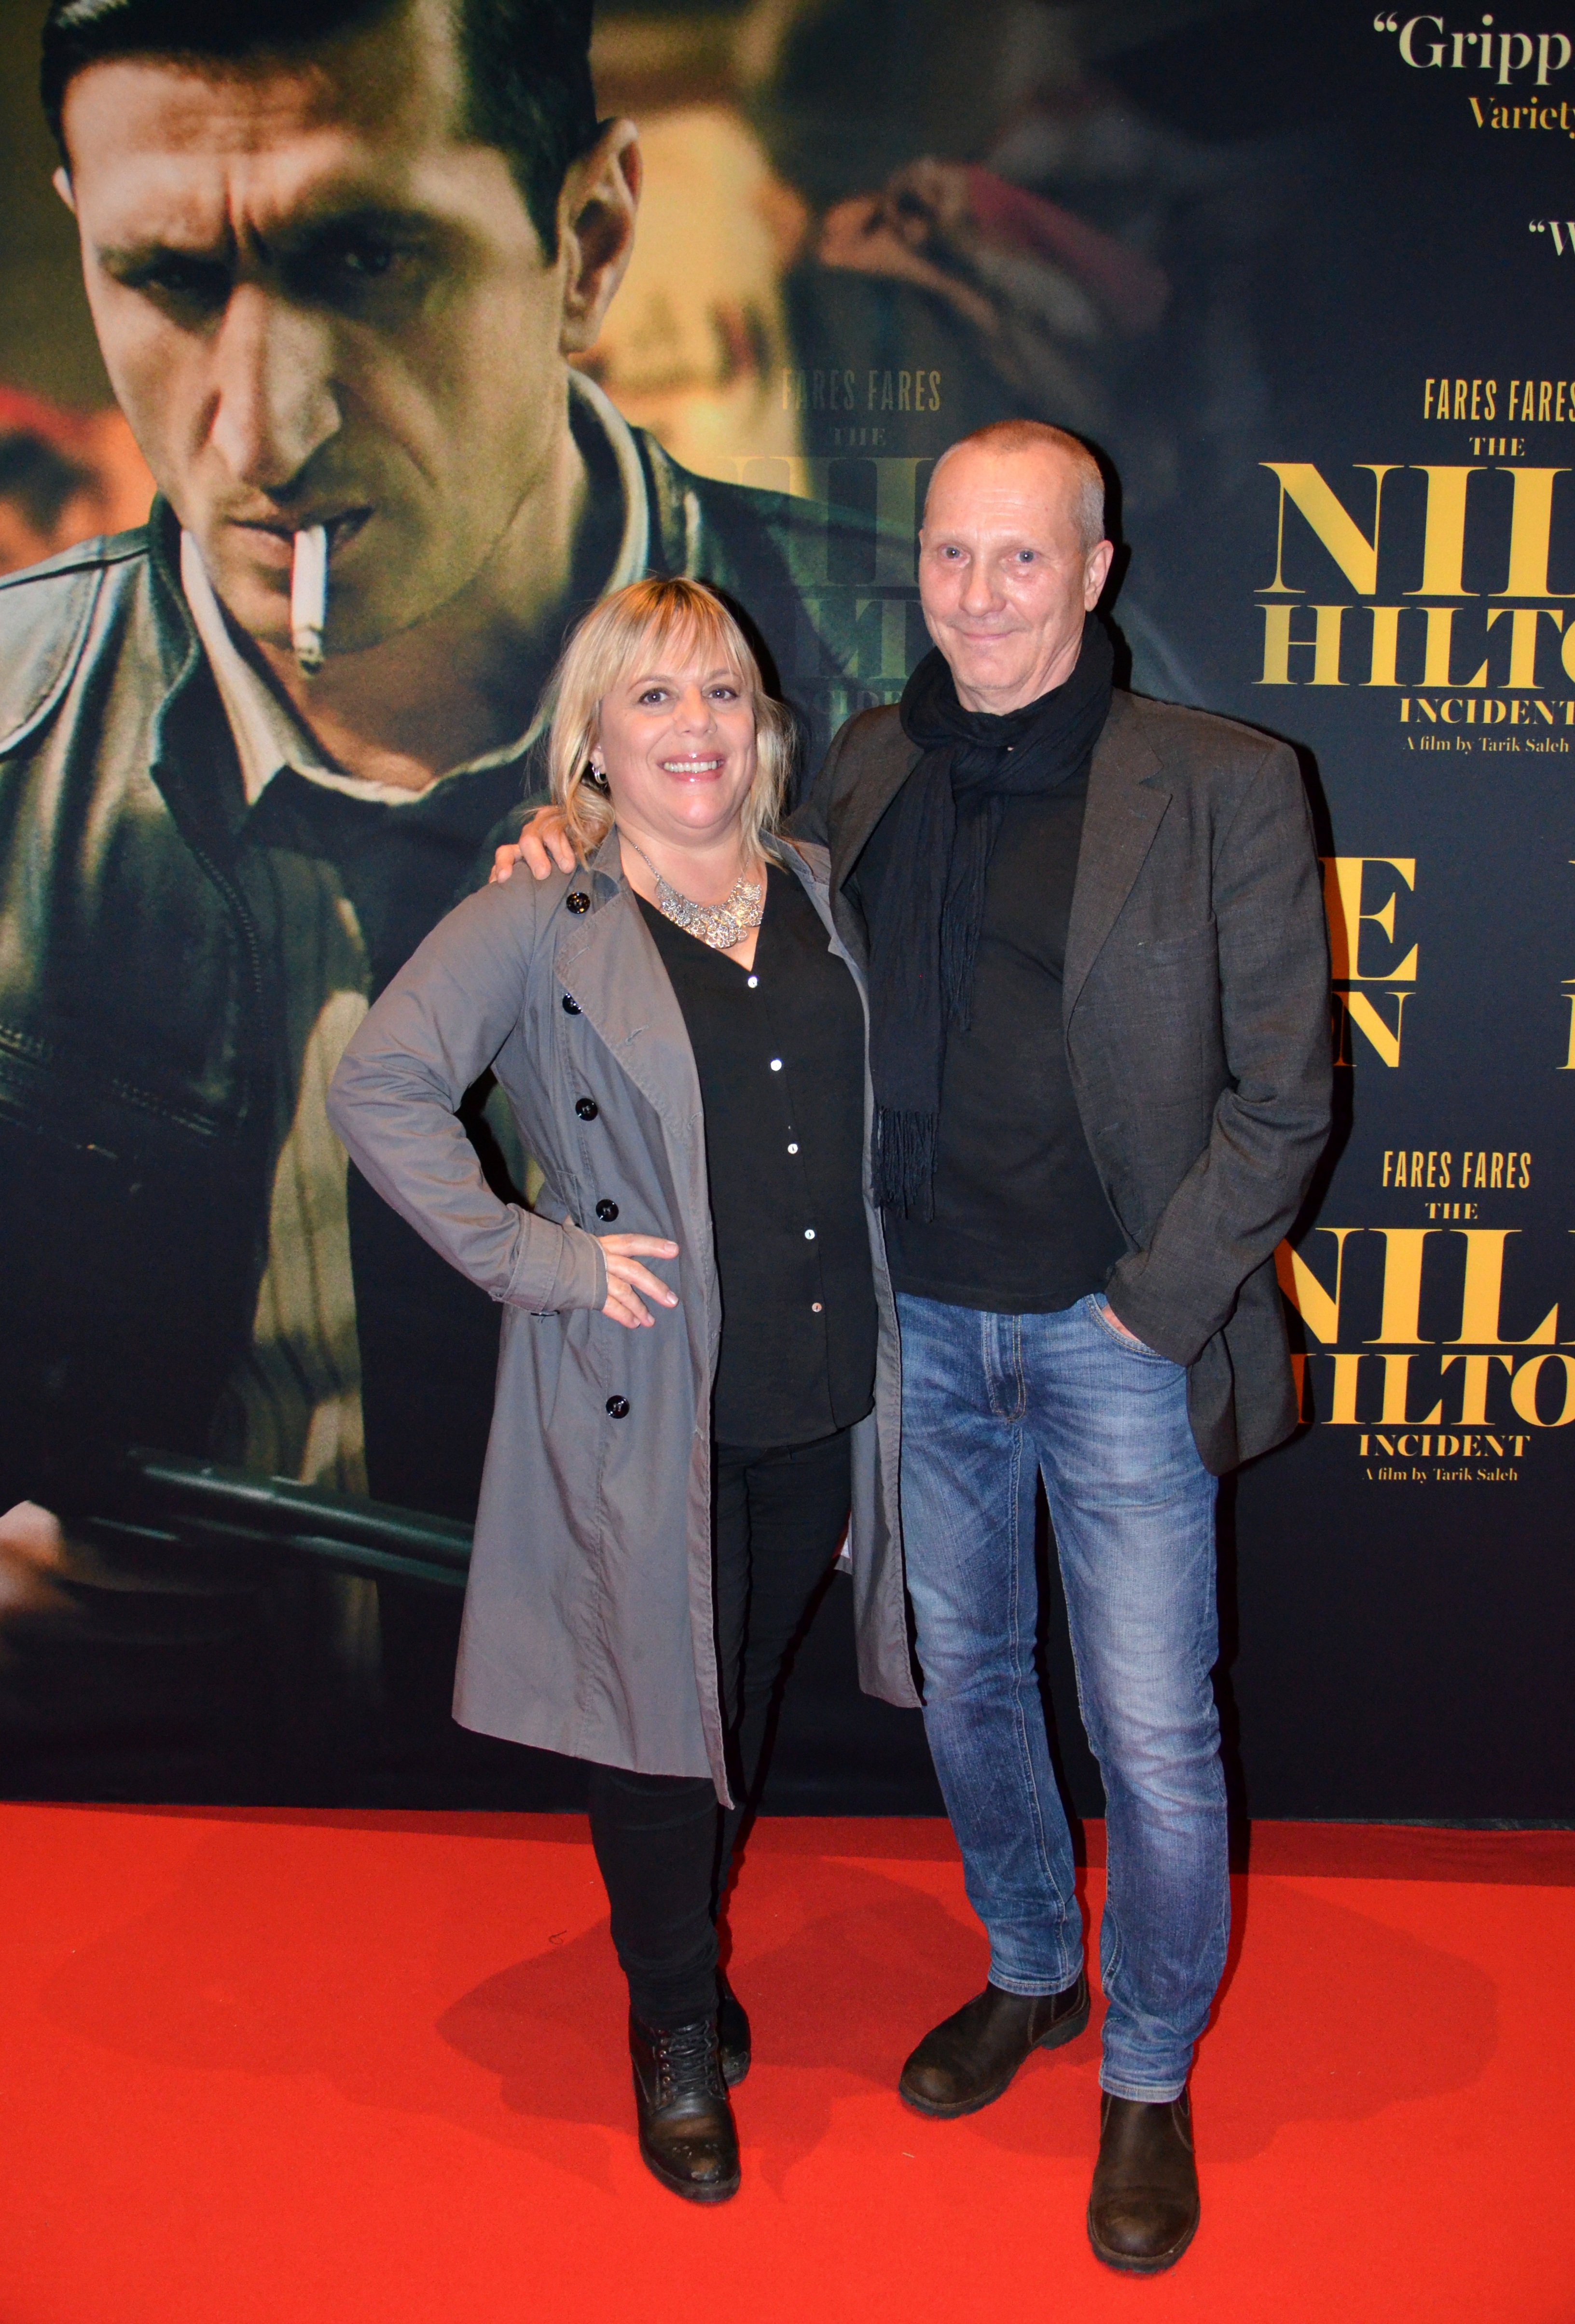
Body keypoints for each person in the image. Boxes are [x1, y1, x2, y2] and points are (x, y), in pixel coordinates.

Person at [0, 0, 892, 1794]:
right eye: (167, 278)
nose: (264, 426)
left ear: (591, 241)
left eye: (368, 258)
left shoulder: (911, 719)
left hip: (707, 1783)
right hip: (160, 1835)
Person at [497, 418, 1333, 2271]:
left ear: (1095, 570)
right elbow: (723, 889)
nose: (981, 594)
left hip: (1123, 1337)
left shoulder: (1224, 781)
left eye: (1023, 558)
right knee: (968, 1692)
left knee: (1154, 1730)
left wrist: (1155, 1306)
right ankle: (1033, 1967)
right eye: (952, 555)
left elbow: (1288, 1099)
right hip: (919, 1339)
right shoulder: (872, 761)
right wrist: (578, 836)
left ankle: (1148, 2069)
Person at [329, 576, 912, 2202]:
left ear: (763, 724)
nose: (693, 726)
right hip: (646, 1396)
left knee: (741, 1690)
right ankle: (671, 2020)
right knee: (660, 1714)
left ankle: (686, 1951)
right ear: (592, 739)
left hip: (819, 1386)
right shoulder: (543, 913)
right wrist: (540, 1259)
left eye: (720, 690)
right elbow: (381, 1087)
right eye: (651, 697)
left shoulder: (821, 889)